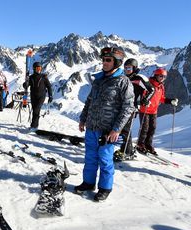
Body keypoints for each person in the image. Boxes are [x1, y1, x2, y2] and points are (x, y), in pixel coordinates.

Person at [75, 46, 134, 201]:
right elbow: (89, 101)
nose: (104, 62)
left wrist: (116, 130)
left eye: (108, 60)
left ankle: (105, 188)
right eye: (103, 59)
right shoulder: (98, 80)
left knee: (105, 160)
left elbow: (128, 108)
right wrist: (83, 119)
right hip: (92, 127)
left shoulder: (123, 82)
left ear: (117, 62)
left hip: (107, 131)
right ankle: (88, 183)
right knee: (90, 157)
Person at [113, 58, 154, 162]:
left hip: (132, 107)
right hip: (121, 107)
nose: (127, 70)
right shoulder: (124, 78)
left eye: (129, 68)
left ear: (134, 68)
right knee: (121, 128)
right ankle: (126, 149)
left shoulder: (139, 78)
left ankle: (128, 151)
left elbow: (151, 90)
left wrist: (145, 99)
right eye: (125, 68)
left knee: (126, 129)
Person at [136, 68, 178, 155]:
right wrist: (144, 101)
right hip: (145, 110)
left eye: (164, 77)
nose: (162, 78)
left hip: (154, 111)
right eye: (161, 76)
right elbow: (142, 95)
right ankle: (140, 144)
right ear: (156, 75)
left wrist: (170, 101)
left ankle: (148, 145)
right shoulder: (149, 84)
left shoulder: (161, 86)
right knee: (145, 128)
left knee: (152, 129)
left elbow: (161, 98)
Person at [23, 62, 53, 132]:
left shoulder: (44, 77)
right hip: (33, 96)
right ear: (34, 69)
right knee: (35, 110)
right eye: (37, 68)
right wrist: (26, 83)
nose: (39, 70)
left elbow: (49, 86)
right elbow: (25, 86)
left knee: (36, 110)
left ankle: (34, 126)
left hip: (41, 96)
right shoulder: (31, 77)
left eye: (40, 68)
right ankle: (34, 125)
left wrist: (50, 95)